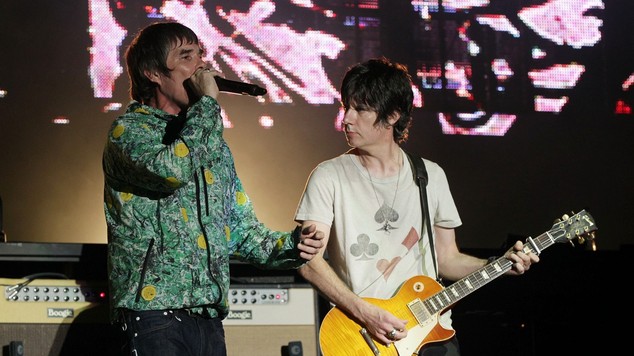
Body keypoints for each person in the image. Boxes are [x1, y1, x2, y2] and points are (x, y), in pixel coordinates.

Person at [102, 22, 324, 356]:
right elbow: (172, 170)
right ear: (153, 73)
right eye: (187, 56)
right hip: (152, 314)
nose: (202, 66)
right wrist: (206, 103)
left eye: (201, 54)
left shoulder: (212, 147)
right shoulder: (129, 133)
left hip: (206, 318)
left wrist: (295, 244)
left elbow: (243, 232)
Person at [294, 57, 540, 356]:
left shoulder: (429, 176)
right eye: (346, 106)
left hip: (430, 337)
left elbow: (447, 260)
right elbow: (309, 262)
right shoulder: (328, 176)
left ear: (393, 115)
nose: (346, 118)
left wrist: (498, 266)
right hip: (362, 338)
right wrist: (367, 314)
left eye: (360, 109)